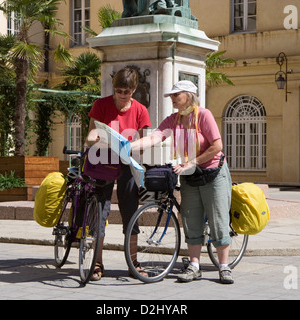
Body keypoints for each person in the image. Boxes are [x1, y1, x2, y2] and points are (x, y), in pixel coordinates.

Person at [130, 80, 234, 284]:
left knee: (218, 219)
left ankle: (224, 266)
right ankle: (194, 266)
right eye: (171, 95)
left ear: (189, 95)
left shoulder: (203, 115)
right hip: (190, 175)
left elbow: (217, 145)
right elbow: (155, 137)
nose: (172, 98)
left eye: (176, 95)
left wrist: (193, 162)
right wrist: (128, 146)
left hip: (213, 173)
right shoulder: (173, 119)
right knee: (190, 219)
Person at [86, 67, 151, 281]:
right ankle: (97, 262)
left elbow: (142, 145)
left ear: (134, 90)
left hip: (126, 164)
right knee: (100, 212)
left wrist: (128, 146)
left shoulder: (140, 110)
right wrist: (98, 140)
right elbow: (90, 135)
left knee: (130, 212)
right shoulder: (101, 105)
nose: (122, 95)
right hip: (102, 162)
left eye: (127, 91)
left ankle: (133, 263)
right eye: (118, 90)